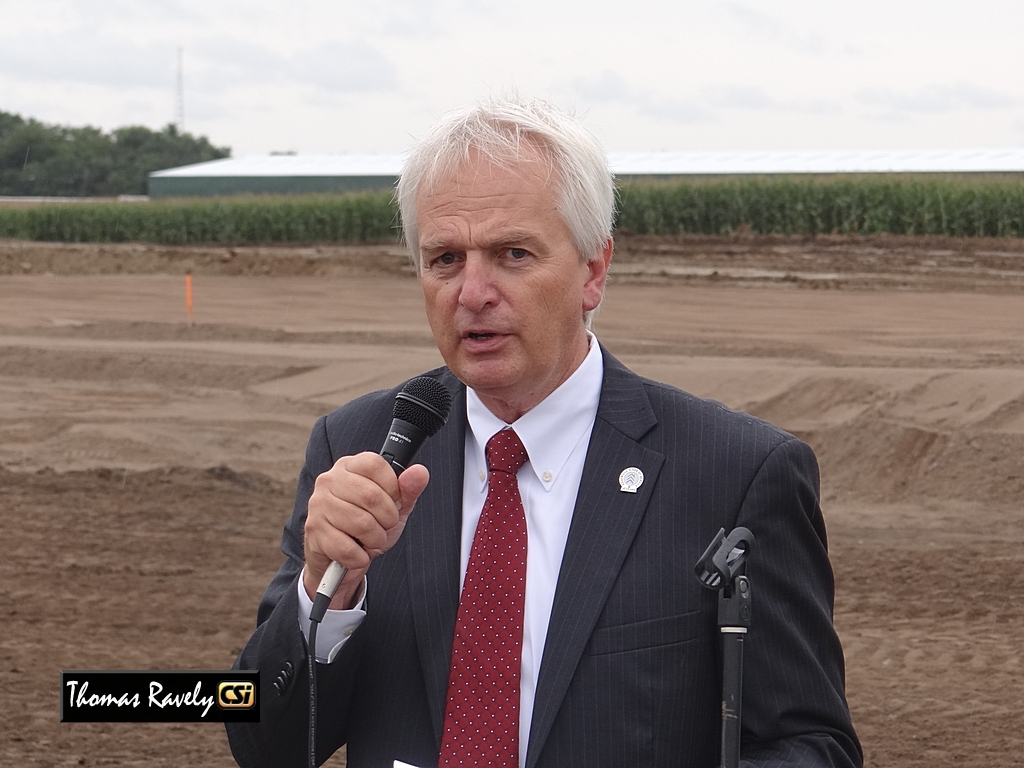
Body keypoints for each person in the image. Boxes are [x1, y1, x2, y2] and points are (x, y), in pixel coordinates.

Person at [226, 96, 862, 768]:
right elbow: (266, 747)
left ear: (593, 269)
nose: (472, 292)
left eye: (512, 254)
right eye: (445, 259)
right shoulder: (360, 449)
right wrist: (324, 594)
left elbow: (810, 746)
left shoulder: (736, 474)